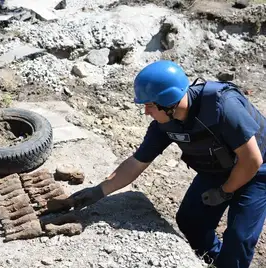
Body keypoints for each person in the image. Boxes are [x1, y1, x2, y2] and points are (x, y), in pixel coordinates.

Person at [69, 60, 266, 268]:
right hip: (215, 170)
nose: (146, 112)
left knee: (239, 238)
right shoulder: (164, 125)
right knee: (190, 221)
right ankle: (215, 260)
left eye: (150, 105)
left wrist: (225, 191)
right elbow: (136, 163)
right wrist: (97, 192)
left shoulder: (223, 106)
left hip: (257, 171)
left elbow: (252, 160)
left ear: (168, 102)